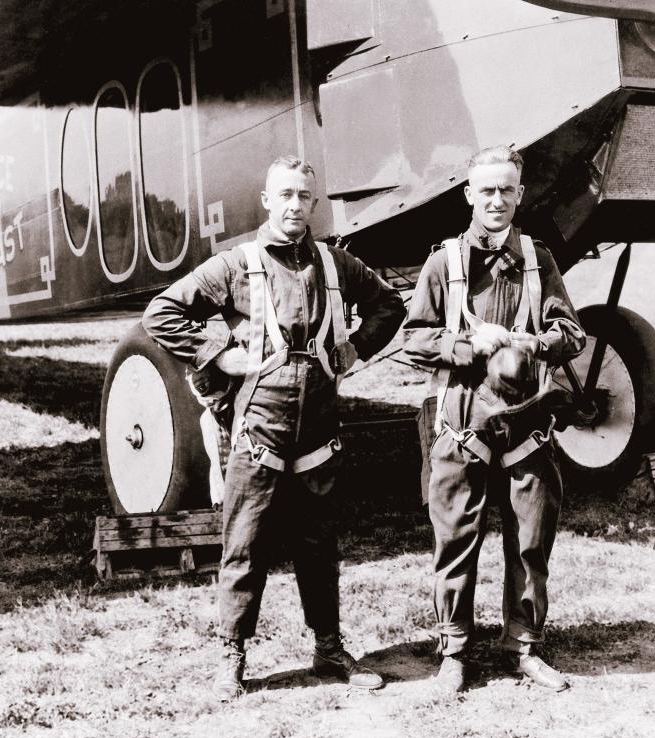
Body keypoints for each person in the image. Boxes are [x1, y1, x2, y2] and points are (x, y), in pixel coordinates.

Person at [142, 155, 406, 700]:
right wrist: (217, 353)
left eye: (303, 196)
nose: (293, 205)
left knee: (319, 545)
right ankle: (232, 654)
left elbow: (387, 305)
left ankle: (328, 649)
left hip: (319, 435)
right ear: (266, 201)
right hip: (258, 430)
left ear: (314, 203)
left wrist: (356, 346)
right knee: (245, 546)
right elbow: (162, 313)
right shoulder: (236, 264)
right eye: (283, 195)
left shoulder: (336, 265)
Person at [403, 145, 586, 692]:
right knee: (456, 539)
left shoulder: (538, 259)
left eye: (507, 189)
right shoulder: (445, 263)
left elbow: (572, 333)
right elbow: (414, 339)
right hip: (462, 423)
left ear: (520, 195)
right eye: (486, 190)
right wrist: (465, 343)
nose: (497, 200)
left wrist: (538, 342)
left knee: (531, 540)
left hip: (527, 426)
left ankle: (525, 646)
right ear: (468, 195)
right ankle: (454, 652)